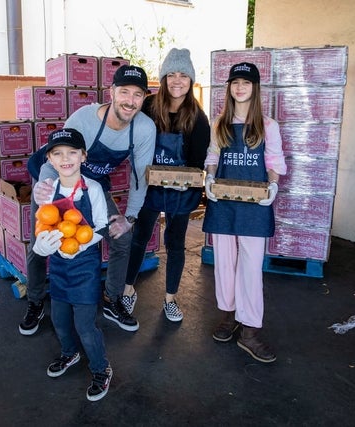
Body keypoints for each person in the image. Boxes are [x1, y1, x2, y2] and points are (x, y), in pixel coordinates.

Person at [20, 65, 156, 335]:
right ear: (112, 92)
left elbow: (141, 176)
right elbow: (61, 156)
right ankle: (35, 300)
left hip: (92, 183)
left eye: (137, 94)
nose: (130, 100)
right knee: (42, 241)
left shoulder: (144, 129)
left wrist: (129, 218)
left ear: (144, 98)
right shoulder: (85, 119)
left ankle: (112, 299)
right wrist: (44, 190)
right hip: (54, 176)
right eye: (124, 92)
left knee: (123, 237)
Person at [202, 62, 287, 363]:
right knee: (224, 263)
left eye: (246, 82)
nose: (240, 87)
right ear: (229, 88)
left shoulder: (268, 125)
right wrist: (209, 178)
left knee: (250, 267)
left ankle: (250, 329)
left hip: (254, 205)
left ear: (255, 88)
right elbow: (213, 155)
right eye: (235, 82)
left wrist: (272, 187)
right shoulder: (219, 123)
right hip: (223, 202)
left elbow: (274, 160)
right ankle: (229, 316)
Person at [122, 48, 210, 322]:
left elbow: (197, 163)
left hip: (181, 191)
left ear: (191, 80)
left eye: (183, 75)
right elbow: (131, 140)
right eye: (171, 74)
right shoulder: (148, 106)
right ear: (163, 78)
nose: (177, 80)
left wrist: (186, 181)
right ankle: (127, 290)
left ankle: (170, 298)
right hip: (149, 187)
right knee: (140, 237)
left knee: (175, 242)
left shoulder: (198, 118)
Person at [31, 128, 112, 401]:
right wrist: (40, 244)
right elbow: (42, 224)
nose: (65, 159)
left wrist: (81, 243)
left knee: (86, 326)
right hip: (59, 266)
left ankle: (101, 368)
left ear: (83, 156)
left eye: (72, 152)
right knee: (59, 319)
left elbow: (102, 227)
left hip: (85, 267)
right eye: (58, 154)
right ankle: (70, 353)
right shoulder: (46, 191)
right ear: (50, 161)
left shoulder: (94, 188)